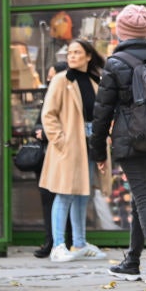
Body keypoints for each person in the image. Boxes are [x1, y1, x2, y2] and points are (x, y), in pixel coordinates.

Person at [91, 4, 146, 284]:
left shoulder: (116, 64)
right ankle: (132, 261)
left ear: (122, 33)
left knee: (143, 200)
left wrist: (98, 151)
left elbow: (102, 112)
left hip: (131, 141)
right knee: (144, 199)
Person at [38, 39, 107, 263]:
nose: (72, 56)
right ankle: (58, 245)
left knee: (83, 193)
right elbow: (48, 114)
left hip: (89, 143)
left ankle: (79, 242)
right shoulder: (61, 80)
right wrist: (60, 141)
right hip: (69, 144)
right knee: (65, 192)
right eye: (70, 53)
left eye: (77, 52)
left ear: (88, 56)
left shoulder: (95, 81)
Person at [32, 61, 71, 258]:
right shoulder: (51, 96)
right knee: (50, 198)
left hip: (60, 152)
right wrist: (38, 131)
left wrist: (46, 134)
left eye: (51, 76)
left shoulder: (69, 96)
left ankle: (64, 241)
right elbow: (38, 123)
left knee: (65, 197)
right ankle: (54, 240)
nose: (48, 80)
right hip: (47, 155)